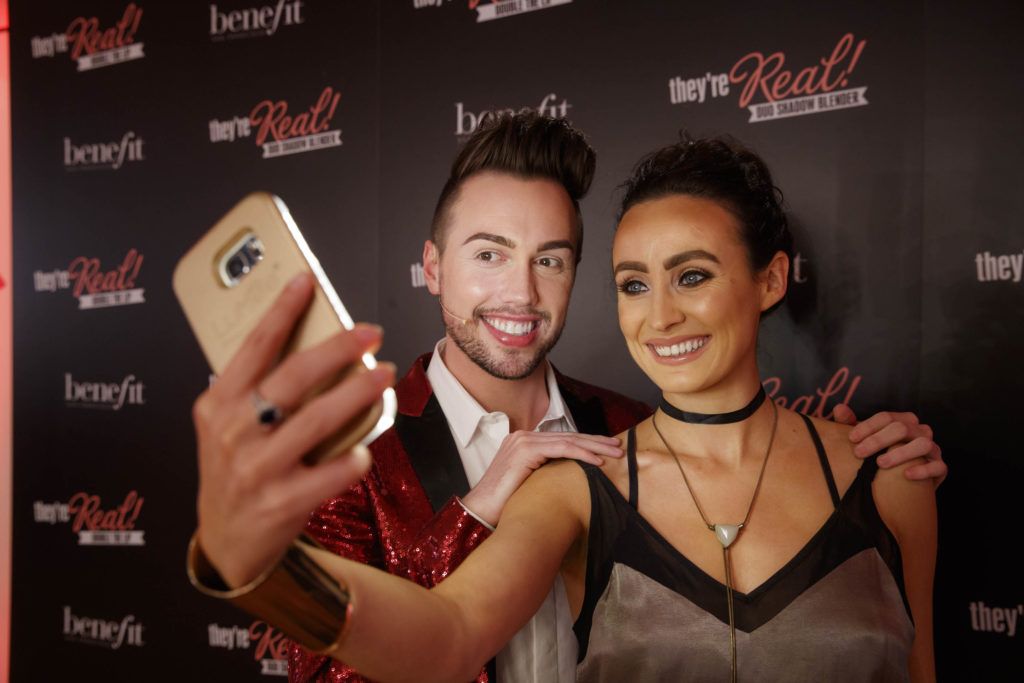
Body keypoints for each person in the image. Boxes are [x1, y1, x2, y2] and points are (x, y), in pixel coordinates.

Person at [188, 117, 942, 683]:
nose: (520, 291)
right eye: (488, 254)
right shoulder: (374, 452)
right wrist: (250, 561)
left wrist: (872, 455)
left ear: (771, 280)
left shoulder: (618, 430)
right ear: (432, 267)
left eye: (549, 260)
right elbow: (435, 637)